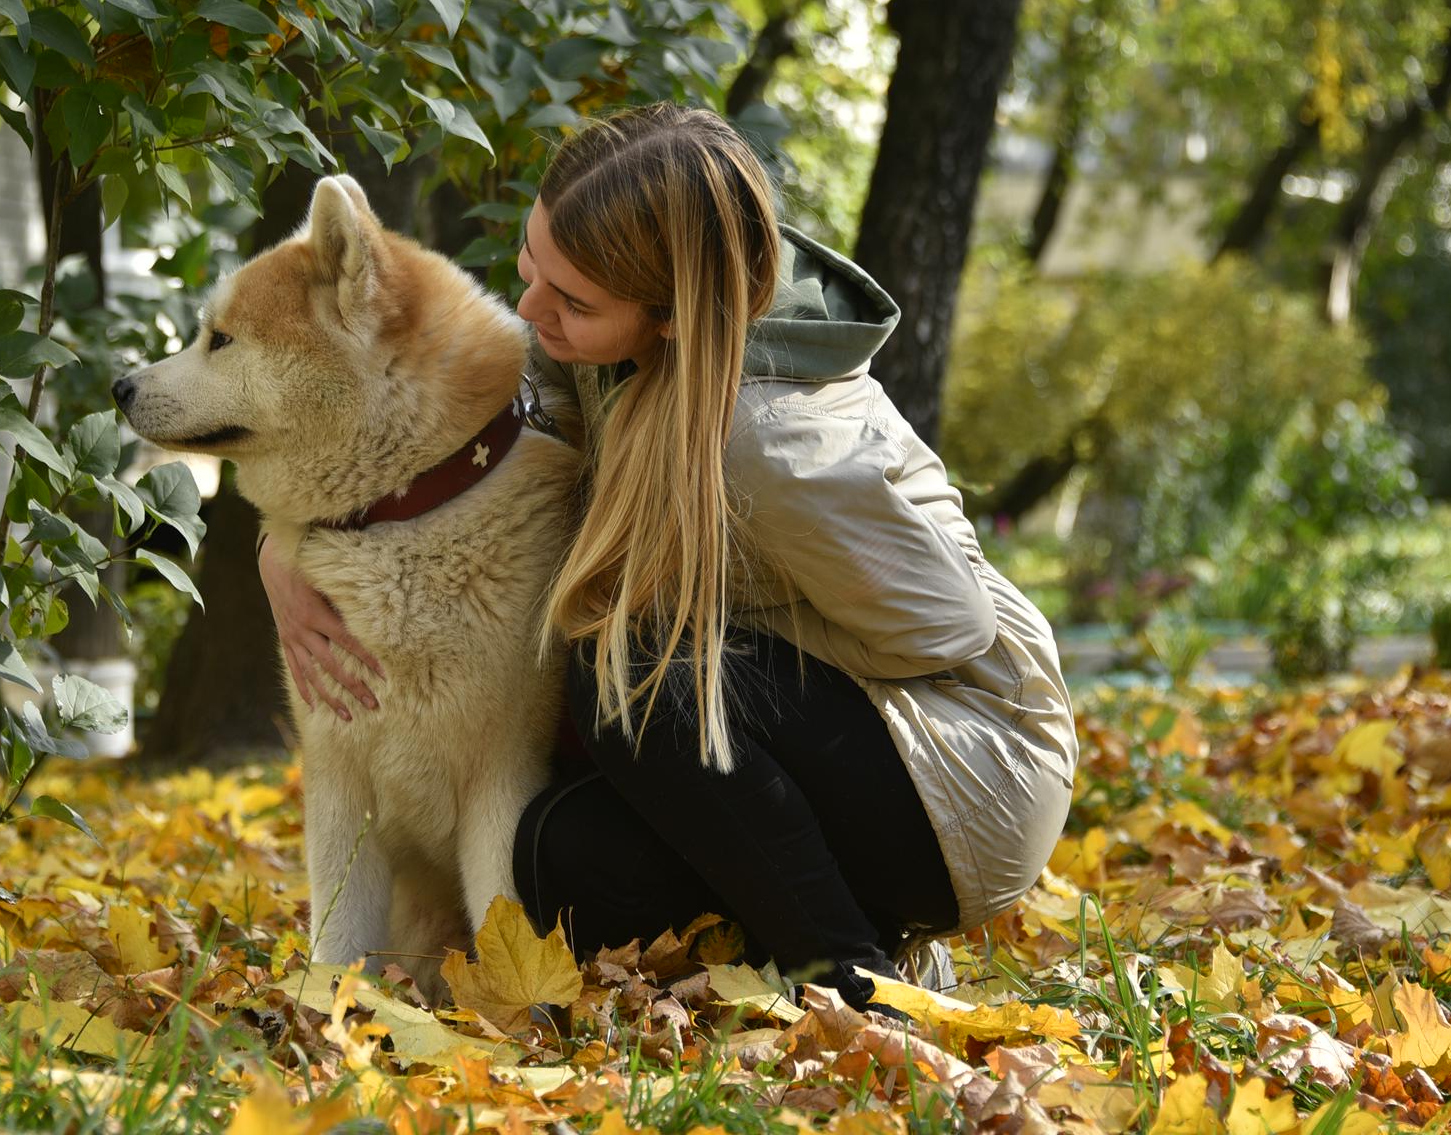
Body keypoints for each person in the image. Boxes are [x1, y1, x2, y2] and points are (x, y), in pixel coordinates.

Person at [258, 103, 1077, 1011]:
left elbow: (946, 629)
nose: (532, 310)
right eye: (533, 266)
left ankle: (858, 982)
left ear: (675, 315)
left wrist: (730, 625)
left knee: (634, 675)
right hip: (840, 737)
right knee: (551, 856)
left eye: (572, 303)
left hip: (967, 779)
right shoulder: (619, 349)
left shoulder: (770, 444)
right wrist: (283, 549)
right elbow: (415, 432)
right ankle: (837, 932)